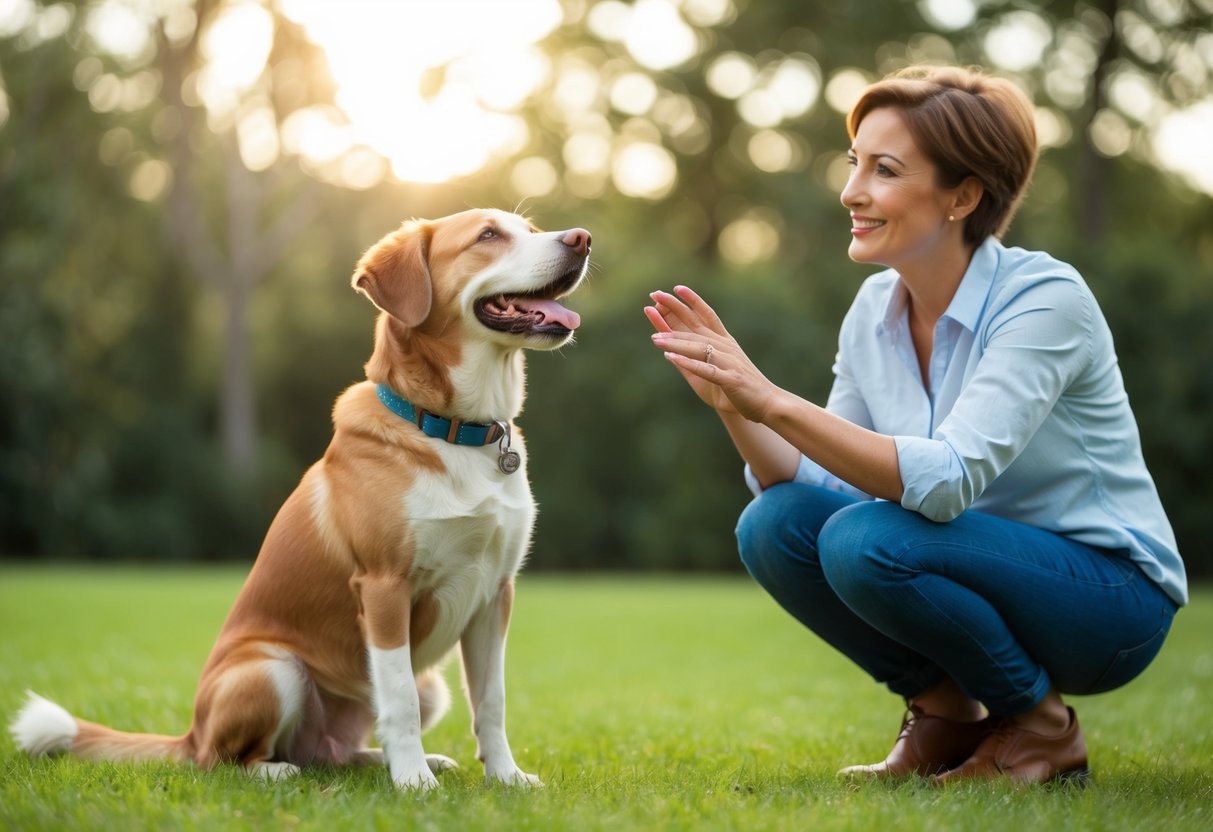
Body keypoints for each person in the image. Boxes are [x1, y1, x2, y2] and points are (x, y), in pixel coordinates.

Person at [644, 65, 1185, 786]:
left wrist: (771, 399)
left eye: (884, 170)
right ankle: (945, 715)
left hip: (1107, 601)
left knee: (866, 537)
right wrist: (735, 407)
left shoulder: (1045, 299)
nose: (850, 191)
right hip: (966, 568)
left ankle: (1041, 729)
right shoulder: (874, 308)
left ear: (962, 196)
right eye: (853, 164)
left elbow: (946, 481)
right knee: (773, 524)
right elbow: (822, 481)